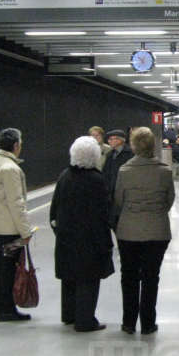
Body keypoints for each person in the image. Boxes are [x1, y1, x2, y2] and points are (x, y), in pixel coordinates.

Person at [110, 127, 175, 335]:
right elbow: (169, 200)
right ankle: (148, 323)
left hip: (128, 233)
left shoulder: (124, 171)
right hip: (157, 232)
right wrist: (155, 213)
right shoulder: (164, 171)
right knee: (151, 277)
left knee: (128, 276)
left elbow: (118, 201)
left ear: (133, 146)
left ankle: (128, 322)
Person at [49, 136, 114, 332]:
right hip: (90, 240)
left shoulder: (64, 176)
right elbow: (104, 213)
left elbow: (54, 208)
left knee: (69, 276)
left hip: (66, 237)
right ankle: (85, 320)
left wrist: (58, 229)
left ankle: (69, 314)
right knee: (88, 279)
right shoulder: (96, 180)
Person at [0, 127, 34, 322]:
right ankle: (7, 309)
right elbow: (17, 203)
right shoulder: (11, 168)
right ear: (16, 145)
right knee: (9, 269)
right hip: (9, 231)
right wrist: (25, 231)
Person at [101, 129, 133, 198]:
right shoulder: (110, 155)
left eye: (111, 139)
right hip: (112, 191)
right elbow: (106, 172)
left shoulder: (130, 153)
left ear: (120, 140)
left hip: (125, 190)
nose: (109, 141)